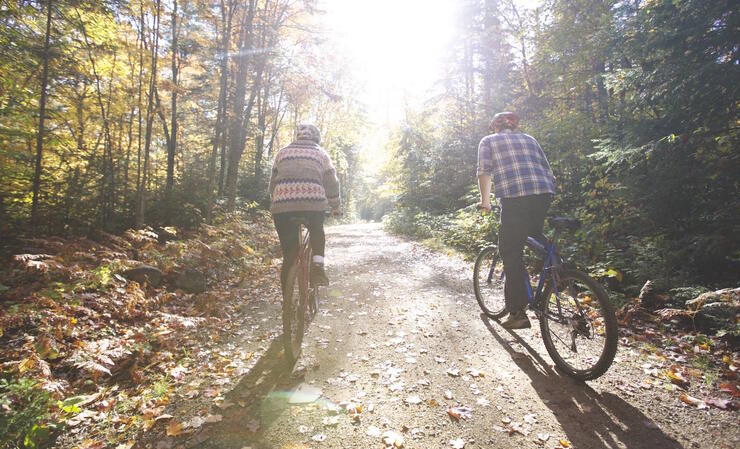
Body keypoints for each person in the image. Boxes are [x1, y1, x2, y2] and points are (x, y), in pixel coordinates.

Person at [477, 111, 555, 329]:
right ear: (515, 126)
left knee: (511, 252)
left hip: (515, 199)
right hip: (543, 194)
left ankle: (517, 313)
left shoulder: (489, 141)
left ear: (495, 127)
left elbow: (484, 172)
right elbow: (548, 171)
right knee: (533, 234)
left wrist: (485, 201)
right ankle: (559, 273)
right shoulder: (530, 139)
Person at [269, 123, 341, 291]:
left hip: (282, 207)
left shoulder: (282, 153)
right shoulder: (321, 154)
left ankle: (286, 301)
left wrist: (276, 200)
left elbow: (273, 183)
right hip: (312, 205)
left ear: (297, 136)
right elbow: (331, 182)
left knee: (289, 255)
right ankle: (317, 269)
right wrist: (335, 206)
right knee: (317, 231)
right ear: (316, 138)